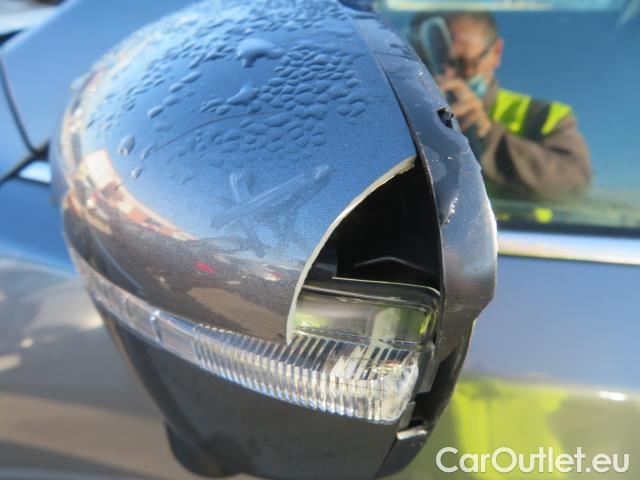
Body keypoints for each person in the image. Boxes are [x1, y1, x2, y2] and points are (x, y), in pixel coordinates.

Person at [412, 12, 591, 201]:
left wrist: (486, 134)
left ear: (496, 52)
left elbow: (574, 186)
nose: (446, 74)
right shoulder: (405, 112)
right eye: (429, 61)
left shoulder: (544, 115)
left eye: (463, 63)